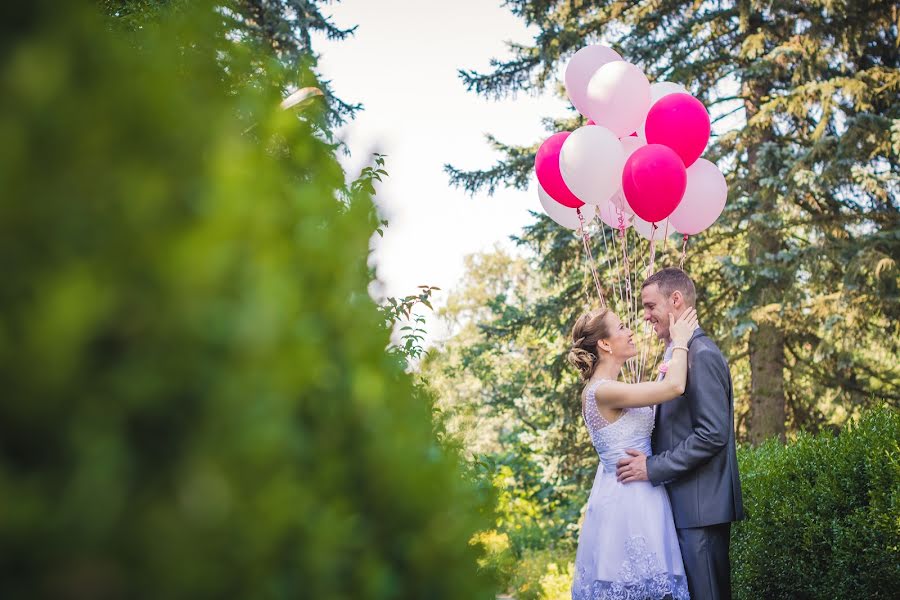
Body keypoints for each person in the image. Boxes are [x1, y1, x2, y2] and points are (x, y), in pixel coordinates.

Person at [616, 268, 744, 600]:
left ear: (676, 300)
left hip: (700, 510)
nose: (645, 316)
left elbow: (712, 434)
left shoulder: (700, 355)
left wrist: (652, 467)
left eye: (650, 306)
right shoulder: (679, 355)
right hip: (684, 508)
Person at [567, 305, 698, 600]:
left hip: (642, 494)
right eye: (622, 327)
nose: (630, 331)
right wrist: (680, 340)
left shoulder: (611, 388)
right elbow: (675, 386)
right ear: (604, 343)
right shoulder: (602, 391)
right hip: (629, 504)